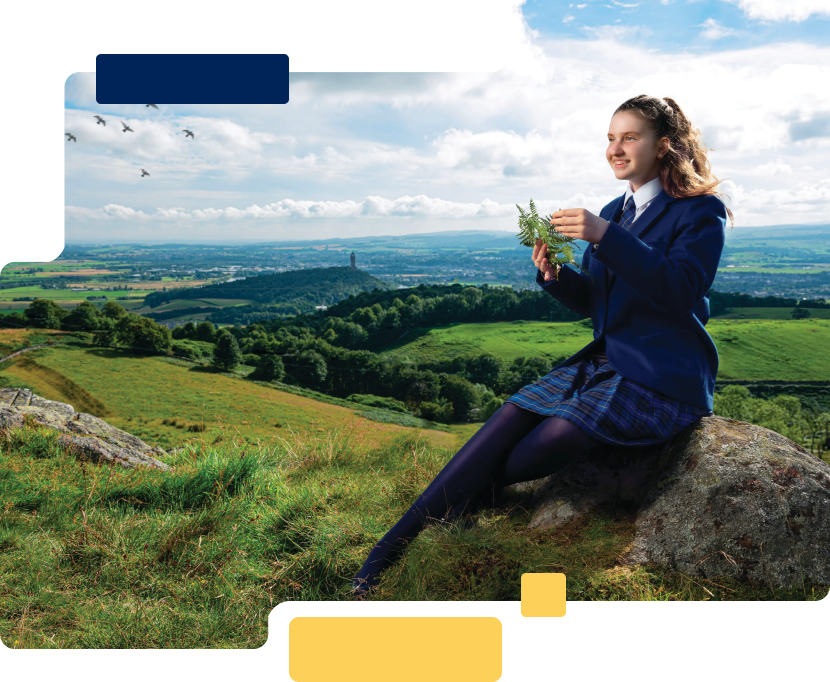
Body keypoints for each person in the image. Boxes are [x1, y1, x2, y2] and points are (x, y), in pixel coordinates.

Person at [350, 94, 735, 599]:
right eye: (610, 139)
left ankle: (463, 498)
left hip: (663, 373)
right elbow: (599, 303)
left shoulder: (700, 211)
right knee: (510, 414)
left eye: (629, 138)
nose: (615, 150)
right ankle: (384, 553)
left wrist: (604, 237)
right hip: (606, 361)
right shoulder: (613, 211)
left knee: (553, 439)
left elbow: (681, 290)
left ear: (663, 145)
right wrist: (556, 278)